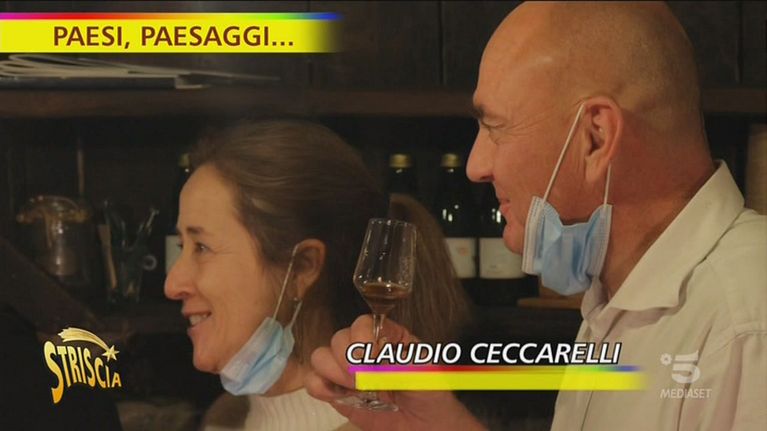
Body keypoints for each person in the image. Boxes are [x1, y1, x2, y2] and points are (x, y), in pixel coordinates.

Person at [305, 2, 767, 430]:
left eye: (496, 127)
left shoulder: (746, 323)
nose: (476, 166)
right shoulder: (621, 295)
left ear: (595, 137)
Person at [163, 120, 472, 430]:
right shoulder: (223, 420)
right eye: (181, 246)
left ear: (302, 267)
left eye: (202, 247)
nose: (172, 284)